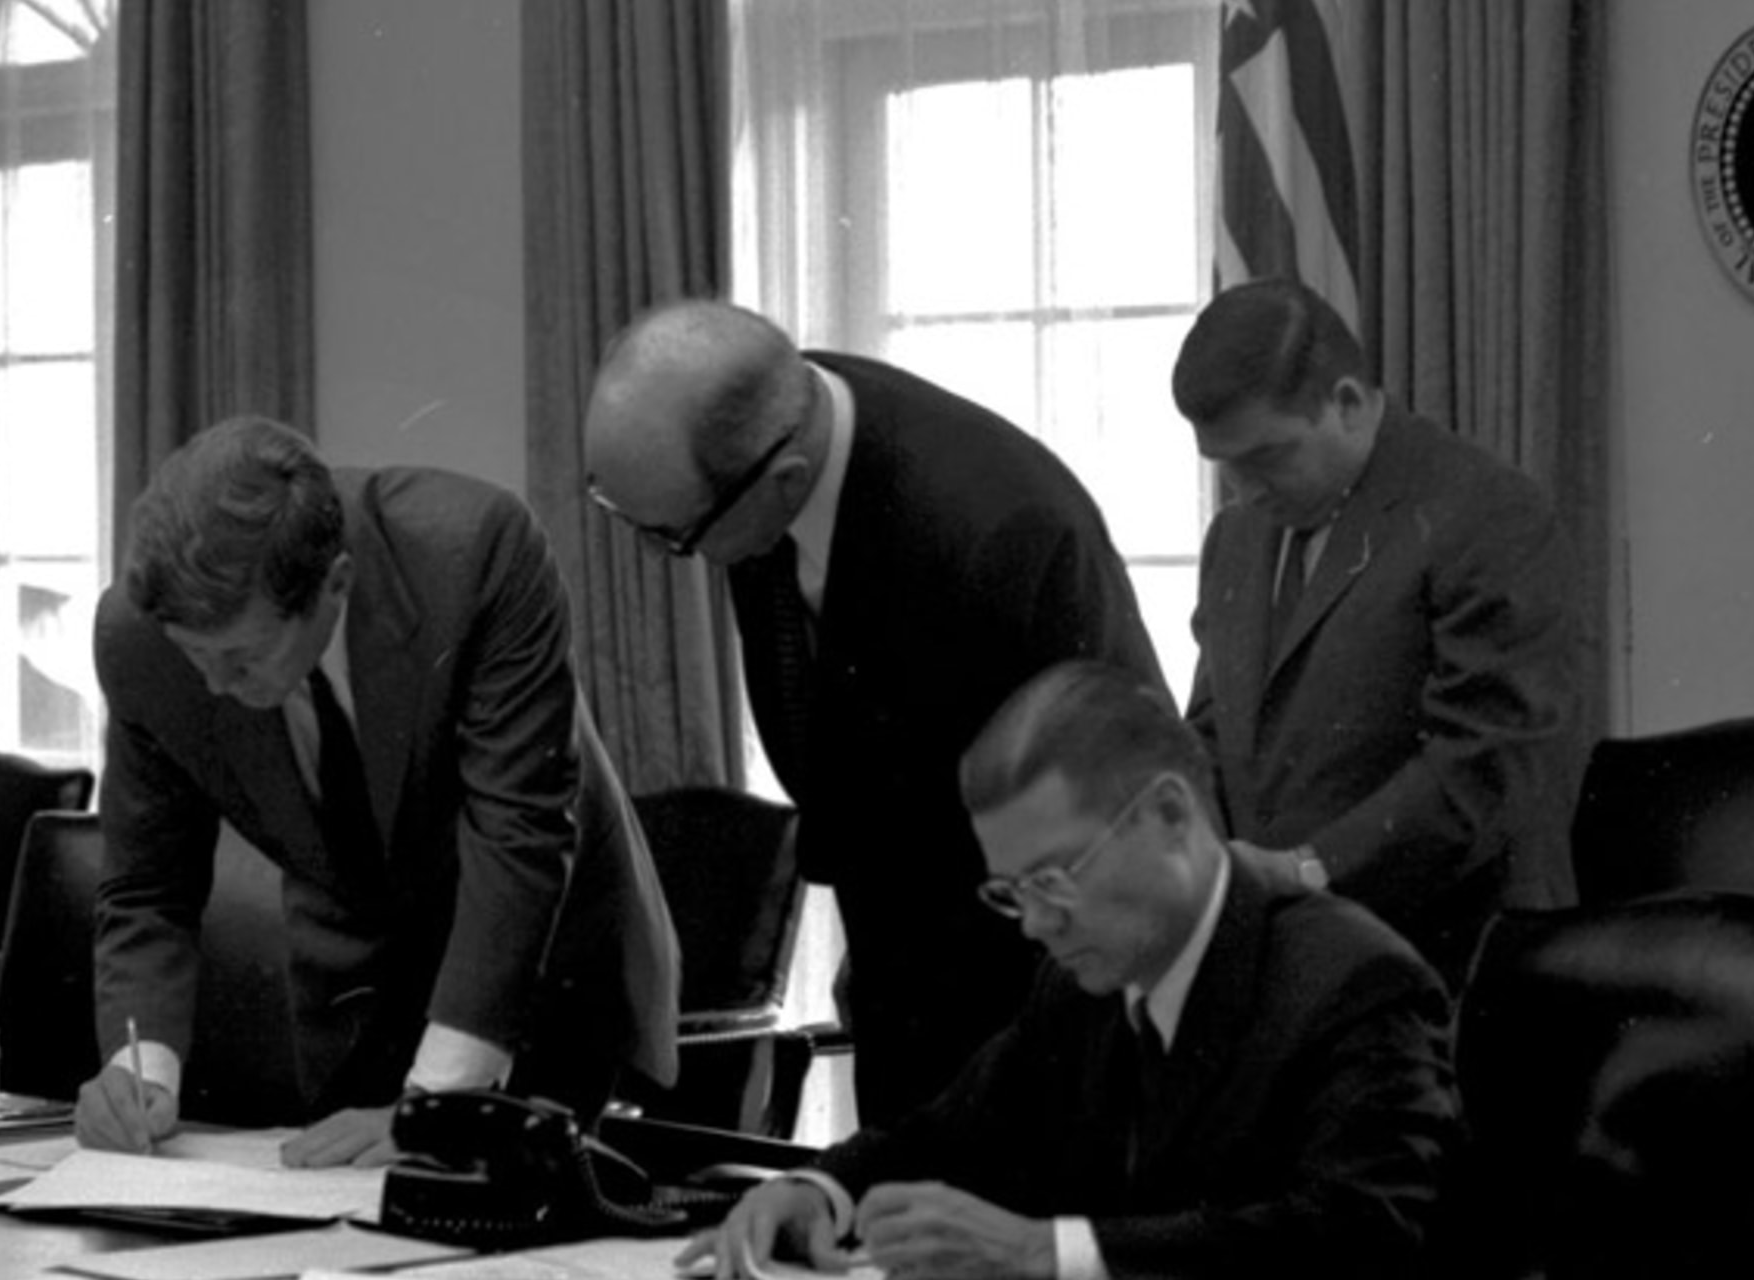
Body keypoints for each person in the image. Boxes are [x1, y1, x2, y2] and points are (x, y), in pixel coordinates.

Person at [582, 300, 1166, 1126]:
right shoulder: (767, 417)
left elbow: (1109, 824)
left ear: (784, 481)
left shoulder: (997, 531)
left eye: (671, 537)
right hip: (905, 959)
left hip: (1049, 982)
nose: (660, 558)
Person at [681, 661, 1459, 1280]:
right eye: (1012, 892)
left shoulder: (1352, 983)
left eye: (1054, 881)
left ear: (1170, 816)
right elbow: (952, 1131)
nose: (1037, 925)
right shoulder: (1085, 982)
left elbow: (1357, 1239)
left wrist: (1044, 1255)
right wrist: (818, 1190)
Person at [77, 416, 679, 1166]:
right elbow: (147, 887)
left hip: (543, 975)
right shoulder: (138, 640)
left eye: (240, 658)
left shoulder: (473, 553)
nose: (213, 687)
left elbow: (519, 837)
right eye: (196, 655)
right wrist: (139, 1072)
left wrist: (436, 1109)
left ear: (334, 583)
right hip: (359, 989)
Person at [1171, 277, 1580, 988]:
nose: (1244, 491)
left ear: (1350, 405)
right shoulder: (1236, 537)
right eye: (1226, 467)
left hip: (1454, 977)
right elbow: (1212, 732)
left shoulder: (1487, 513)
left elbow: (1484, 766)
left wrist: (1308, 871)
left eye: (1265, 458)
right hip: (1291, 974)